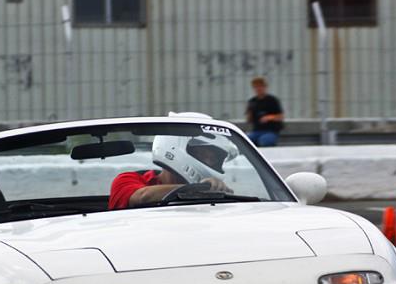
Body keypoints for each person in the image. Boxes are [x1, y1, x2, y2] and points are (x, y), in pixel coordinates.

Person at [108, 134, 237, 210]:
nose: (208, 161)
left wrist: (219, 193)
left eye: (213, 159)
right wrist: (195, 189)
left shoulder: (211, 196)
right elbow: (143, 197)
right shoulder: (127, 179)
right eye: (202, 155)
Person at [246, 77, 284, 147]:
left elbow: (280, 117)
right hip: (256, 131)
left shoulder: (272, 100)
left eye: (260, 86)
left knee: (265, 140)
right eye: (256, 87)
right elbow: (249, 119)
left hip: (271, 131)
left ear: (265, 87)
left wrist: (269, 117)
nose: (258, 89)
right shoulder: (252, 101)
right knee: (246, 141)